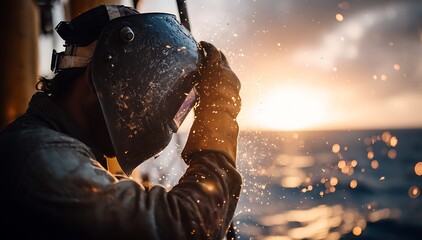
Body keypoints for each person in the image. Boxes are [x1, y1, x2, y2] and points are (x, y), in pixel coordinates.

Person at [0, 5, 242, 240]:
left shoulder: (60, 148)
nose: (146, 105)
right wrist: (218, 110)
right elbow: (185, 228)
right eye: (139, 85)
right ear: (97, 78)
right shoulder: (38, 155)